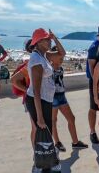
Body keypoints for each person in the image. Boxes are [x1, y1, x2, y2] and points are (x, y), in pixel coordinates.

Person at [26, 29, 63, 172]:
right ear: (38, 42)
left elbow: (62, 54)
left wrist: (55, 38)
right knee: (42, 131)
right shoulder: (36, 60)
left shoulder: (44, 55)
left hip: (45, 100)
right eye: (47, 40)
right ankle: (40, 164)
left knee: (45, 132)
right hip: (38, 100)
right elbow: (36, 91)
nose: (49, 42)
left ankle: (44, 162)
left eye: (49, 39)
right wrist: (40, 117)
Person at [48, 45, 88, 151]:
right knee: (53, 120)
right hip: (53, 97)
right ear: (52, 56)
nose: (62, 59)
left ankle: (75, 142)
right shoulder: (48, 69)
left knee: (71, 118)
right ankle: (57, 142)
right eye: (59, 57)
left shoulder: (60, 68)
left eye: (62, 57)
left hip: (61, 96)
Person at [11, 40, 35, 147]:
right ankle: (37, 153)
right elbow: (13, 80)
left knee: (38, 127)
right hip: (31, 99)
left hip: (37, 99)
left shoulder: (38, 62)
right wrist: (28, 90)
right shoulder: (30, 64)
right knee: (35, 127)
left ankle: (40, 152)